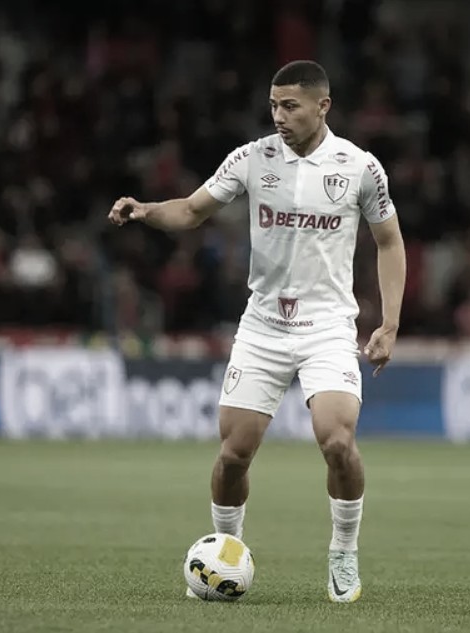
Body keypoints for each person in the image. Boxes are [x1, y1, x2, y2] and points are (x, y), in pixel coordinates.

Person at [109, 60, 405, 603]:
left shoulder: (360, 167)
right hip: (264, 324)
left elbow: (389, 240)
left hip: (327, 325)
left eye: (290, 105)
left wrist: (389, 322)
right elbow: (193, 210)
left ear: (323, 106)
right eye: (273, 105)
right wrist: (147, 209)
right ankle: (228, 549)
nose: (279, 116)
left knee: (338, 441)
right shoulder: (251, 158)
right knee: (233, 456)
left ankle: (343, 550)